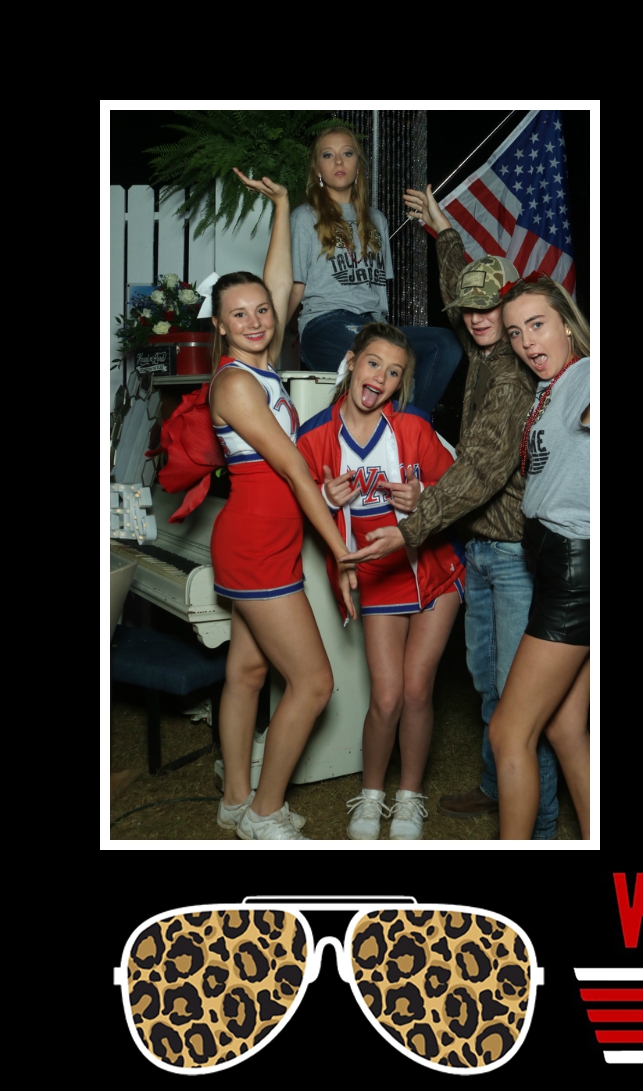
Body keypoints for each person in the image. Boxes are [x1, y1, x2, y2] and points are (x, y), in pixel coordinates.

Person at [344, 184, 561, 839]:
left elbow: (479, 474)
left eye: (491, 308)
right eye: (469, 310)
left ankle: (540, 823)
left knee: (521, 700)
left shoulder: (513, 374)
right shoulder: (484, 344)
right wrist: (445, 235)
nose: (475, 318)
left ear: (516, 309)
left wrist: (412, 524)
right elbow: (458, 293)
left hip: (516, 553)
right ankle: (500, 787)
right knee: (487, 684)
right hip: (481, 552)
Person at [208, 170, 358, 841]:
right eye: (238, 314)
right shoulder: (235, 384)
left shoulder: (261, 364)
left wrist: (277, 208)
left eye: (262, 310)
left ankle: (237, 798)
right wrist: (342, 551)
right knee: (315, 683)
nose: (256, 318)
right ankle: (265, 814)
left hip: (262, 536)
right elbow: (294, 468)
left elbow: (273, 282)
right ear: (219, 326)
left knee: (247, 670)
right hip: (256, 545)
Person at [297, 323, 463, 840]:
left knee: (417, 691)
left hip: (434, 571)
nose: (381, 378)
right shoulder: (313, 436)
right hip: (376, 576)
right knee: (387, 697)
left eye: (394, 372)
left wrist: (424, 501)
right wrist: (326, 498)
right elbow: (299, 513)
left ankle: (409, 799)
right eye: (373, 364)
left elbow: (456, 487)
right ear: (351, 361)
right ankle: (371, 797)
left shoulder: (413, 426)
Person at [477, 278, 590, 841]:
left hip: (574, 567)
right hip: (554, 562)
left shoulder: (588, 377)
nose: (526, 342)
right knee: (567, 730)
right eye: (516, 332)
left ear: (567, 322)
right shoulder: (554, 385)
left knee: (509, 732)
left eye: (537, 325)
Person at [288, 125, 462, 424]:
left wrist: (384, 329)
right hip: (325, 324)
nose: (339, 162)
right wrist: (271, 339)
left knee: (444, 344)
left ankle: (407, 428)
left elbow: (379, 289)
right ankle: (398, 431)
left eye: (347, 153)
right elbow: (295, 286)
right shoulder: (304, 217)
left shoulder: (377, 220)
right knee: (377, 359)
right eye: (328, 155)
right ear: (317, 168)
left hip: (373, 326)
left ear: (359, 166)